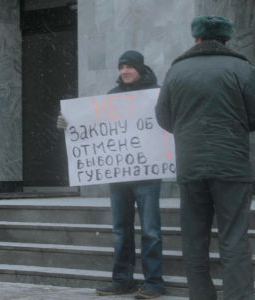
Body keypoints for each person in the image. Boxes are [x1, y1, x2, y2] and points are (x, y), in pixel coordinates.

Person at [155, 16, 255, 300]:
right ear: (226, 39)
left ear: (196, 39)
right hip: (232, 167)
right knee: (234, 240)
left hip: (191, 167)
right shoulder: (243, 68)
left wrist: (188, 130)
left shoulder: (176, 71)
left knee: (194, 241)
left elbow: (163, 117)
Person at [58, 50, 165, 299]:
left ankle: (154, 283)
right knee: (121, 229)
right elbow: (93, 126)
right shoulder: (112, 97)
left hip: (148, 174)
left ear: (140, 68)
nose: (124, 71)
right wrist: (68, 123)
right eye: (121, 67)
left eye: (129, 66)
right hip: (119, 175)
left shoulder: (156, 95)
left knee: (151, 230)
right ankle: (122, 280)